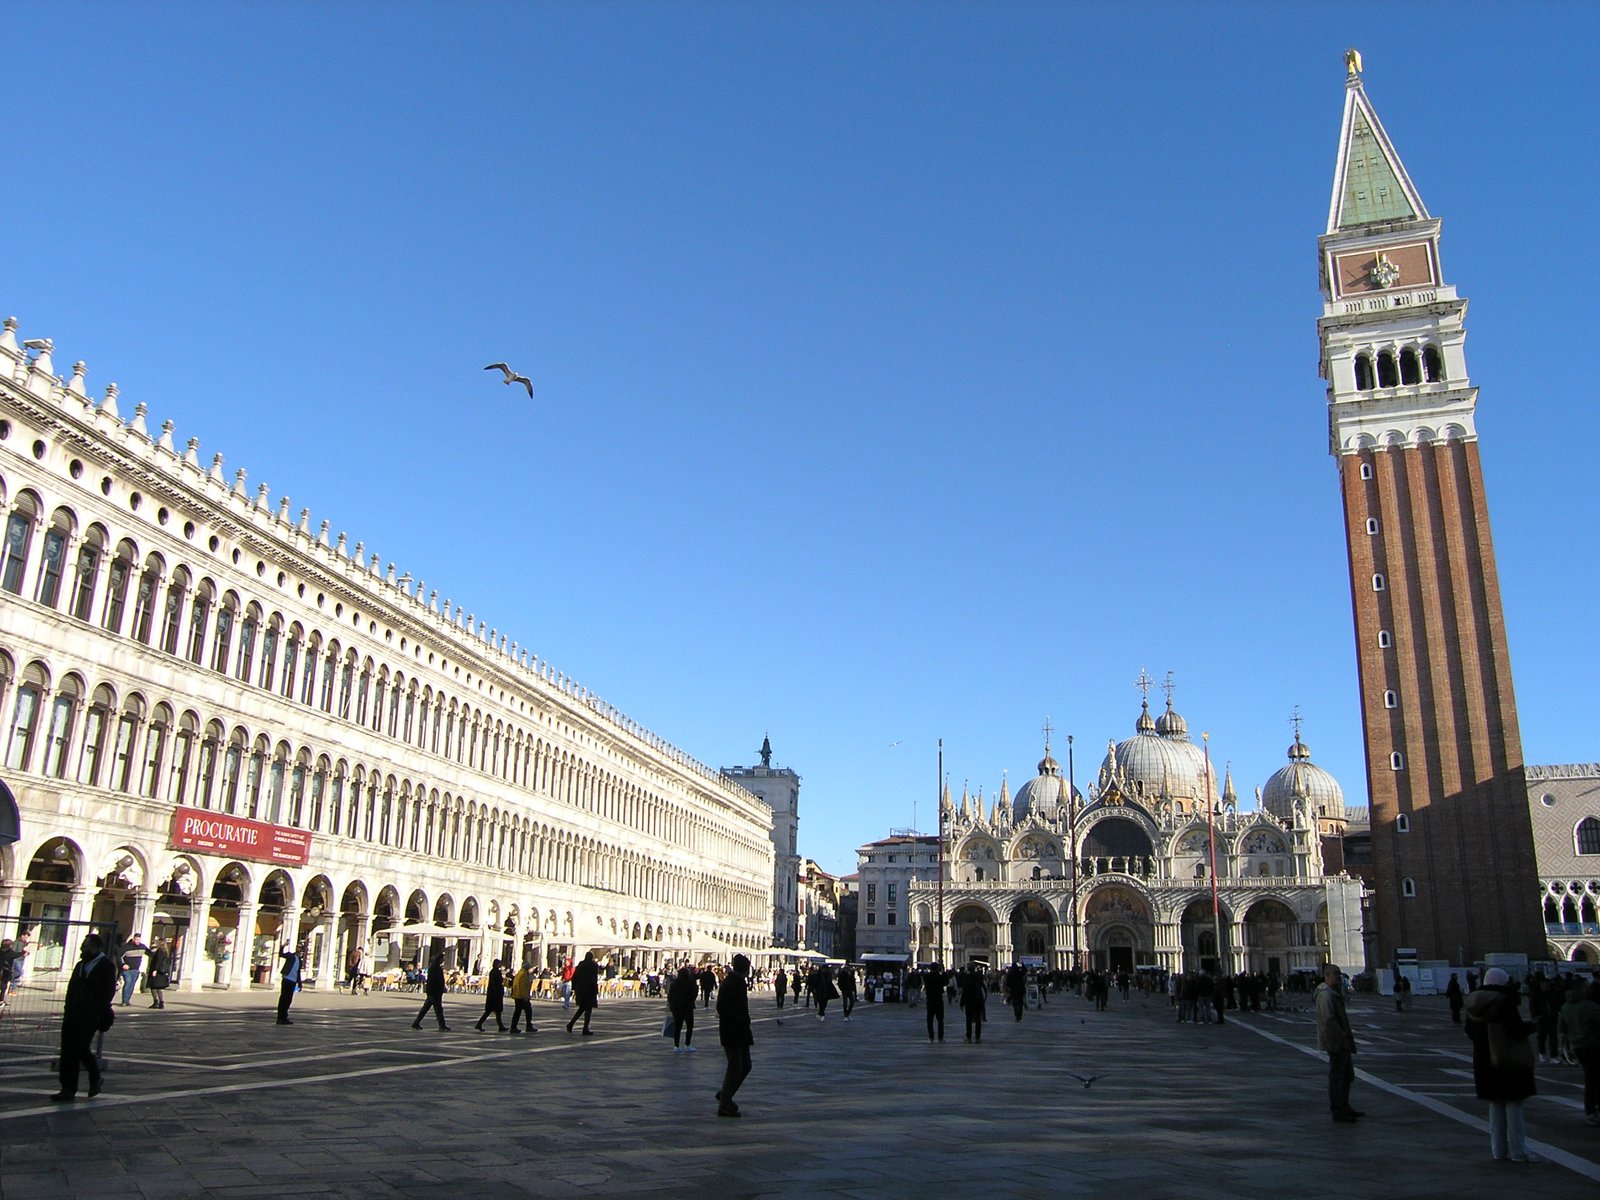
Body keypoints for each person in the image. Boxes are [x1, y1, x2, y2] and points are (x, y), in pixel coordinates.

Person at [1465, 967, 1537, 1162]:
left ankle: (1498, 1150)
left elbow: (1469, 1031)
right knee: (1514, 1104)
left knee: (1495, 1105)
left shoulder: (1474, 1001)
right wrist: (1533, 1025)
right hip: (1507, 1059)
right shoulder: (1504, 1001)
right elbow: (1515, 1029)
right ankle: (1518, 1151)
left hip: (1484, 1060)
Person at [49, 933, 118, 1101]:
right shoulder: (81, 964)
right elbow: (71, 988)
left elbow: (108, 991)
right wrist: (68, 1007)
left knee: (80, 1048)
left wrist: (99, 1010)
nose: (82, 948)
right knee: (67, 1050)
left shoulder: (106, 965)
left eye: (85, 946)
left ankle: (95, 1077)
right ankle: (67, 1088)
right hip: (73, 1012)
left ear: (95, 947)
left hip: (91, 1013)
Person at [1314, 962, 1361, 1124]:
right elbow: (1329, 1020)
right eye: (1336, 974)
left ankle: (1344, 1105)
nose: (1339, 977)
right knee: (1337, 1076)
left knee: (1347, 1075)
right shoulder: (1326, 995)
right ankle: (1338, 1109)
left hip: (1341, 1040)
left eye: (1340, 974)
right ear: (1326, 976)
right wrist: (1341, 1036)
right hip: (1335, 1041)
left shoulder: (1333, 993)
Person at [715, 953, 753, 1118]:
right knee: (735, 1067)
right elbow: (722, 1007)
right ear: (745, 969)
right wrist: (739, 1020)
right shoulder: (731, 983)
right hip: (732, 1031)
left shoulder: (738, 982)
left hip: (740, 1030)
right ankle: (724, 1103)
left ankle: (725, 1094)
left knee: (745, 1065)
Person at [1560, 979, 1600, 1126]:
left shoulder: (1565, 1007)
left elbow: (1562, 1028)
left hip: (1577, 1046)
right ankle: (1592, 1111)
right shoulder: (1590, 1006)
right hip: (1593, 1044)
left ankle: (1591, 1111)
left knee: (1590, 1078)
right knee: (1594, 1079)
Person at [412, 953, 450, 1030]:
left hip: (431, 990)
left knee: (425, 1008)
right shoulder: (436, 968)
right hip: (435, 991)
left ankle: (416, 1023)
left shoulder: (433, 966)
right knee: (438, 1009)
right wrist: (440, 989)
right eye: (442, 959)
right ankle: (442, 1026)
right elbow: (437, 980)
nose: (442, 961)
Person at [567, 951, 600, 1034]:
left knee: (582, 1008)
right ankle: (584, 1028)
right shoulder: (593, 966)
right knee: (587, 1010)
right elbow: (594, 979)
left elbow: (574, 977)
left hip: (581, 990)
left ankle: (572, 1024)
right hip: (589, 990)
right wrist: (596, 990)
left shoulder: (580, 965)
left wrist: (574, 988)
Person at [668, 964, 698, 1052]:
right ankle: (687, 1044)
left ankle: (676, 1046)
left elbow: (670, 996)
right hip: (687, 1006)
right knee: (689, 1026)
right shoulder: (690, 982)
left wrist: (671, 1005)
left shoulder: (675, 983)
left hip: (676, 1007)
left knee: (678, 1027)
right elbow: (694, 993)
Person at [474, 959, 507, 1031]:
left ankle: (500, 1026)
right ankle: (480, 1024)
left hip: (492, 994)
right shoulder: (497, 972)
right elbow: (498, 982)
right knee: (494, 1011)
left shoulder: (492, 971)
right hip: (495, 994)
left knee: (492, 1012)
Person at [276, 941, 303, 1025]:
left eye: (300, 947)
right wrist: (283, 945)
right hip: (286, 979)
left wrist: (300, 983)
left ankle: (284, 1017)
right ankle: (280, 1018)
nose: (298, 948)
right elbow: (281, 954)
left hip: (293, 981)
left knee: (288, 1000)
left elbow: (298, 972)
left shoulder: (299, 960)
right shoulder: (290, 955)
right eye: (297, 946)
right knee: (283, 998)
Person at [118, 933, 148, 1006]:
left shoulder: (142, 947)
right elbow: (119, 956)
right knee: (128, 983)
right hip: (127, 970)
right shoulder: (126, 947)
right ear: (133, 939)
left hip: (136, 969)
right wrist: (123, 964)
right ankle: (124, 1001)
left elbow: (150, 953)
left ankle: (127, 1000)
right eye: (137, 940)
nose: (138, 941)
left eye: (139, 940)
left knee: (132, 985)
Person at [960, 966, 988, 1043]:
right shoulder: (979, 977)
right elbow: (984, 987)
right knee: (978, 1019)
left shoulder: (966, 978)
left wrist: (961, 1003)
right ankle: (977, 1038)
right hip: (978, 1000)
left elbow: (964, 991)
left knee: (968, 1020)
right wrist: (985, 997)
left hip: (969, 1001)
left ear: (968, 970)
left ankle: (969, 1037)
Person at [508, 962, 538, 1033]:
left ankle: (513, 1027)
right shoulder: (524, 975)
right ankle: (528, 1026)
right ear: (528, 968)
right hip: (521, 996)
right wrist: (526, 997)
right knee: (528, 1011)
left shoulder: (520, 973)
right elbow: (523, 987)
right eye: (530, 968)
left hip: (517, 995)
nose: (531, 970)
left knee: (517, 1012)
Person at [922, 962, 948, 1043]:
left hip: (930, 999)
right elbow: (946, 982)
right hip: (938, 999)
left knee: (929, 1020)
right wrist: (943, 972)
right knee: (940, 1020)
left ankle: (931, 1037)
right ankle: (940, 1037)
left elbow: (923, 977)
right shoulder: (940, 977)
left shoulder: (927, 976)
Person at [147, 938, 172, 1008]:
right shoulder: (165, 951)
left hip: (157, 971)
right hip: (162, 972)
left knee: (153, 987)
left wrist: (155, 970)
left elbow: (158, 961)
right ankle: (161, 1003)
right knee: (158, 988)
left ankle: (156, 1002)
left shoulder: (160, 951)